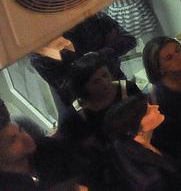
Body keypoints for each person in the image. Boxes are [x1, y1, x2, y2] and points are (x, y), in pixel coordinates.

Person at [55, 51, 142, 185]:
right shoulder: (75, 115)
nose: (105, 83)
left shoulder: (127, 89)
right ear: (83, 87)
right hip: (109, 172)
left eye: (105, 75)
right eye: (96, 81)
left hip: (142, 151)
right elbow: (75, 155)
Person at [28, 12, 135, 108]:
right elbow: (67, 91)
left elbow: (129, 39)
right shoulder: (40, 51)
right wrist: (97, 59)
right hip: (86, 105)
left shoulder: (89, 16)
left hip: (117, 82)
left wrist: (100, 55)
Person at [104, 94, 181, 191]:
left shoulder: (157, 138)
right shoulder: (132, 157)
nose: (156, 107)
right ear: (135, 125)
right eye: (149, 111)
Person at [0, 100, 82, 190]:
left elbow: (82, 174)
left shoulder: (49, 148)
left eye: (21, 130)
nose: (26, 138)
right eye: (13, 140)